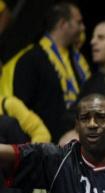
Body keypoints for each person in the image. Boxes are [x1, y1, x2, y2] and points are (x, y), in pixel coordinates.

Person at [11, 2, 90, 141]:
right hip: (44, 147)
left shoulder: (78, 61)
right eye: (78, 22)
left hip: (78, 140)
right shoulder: (30, 59)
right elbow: (21, 108)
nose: (82, 27)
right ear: (63, 23)